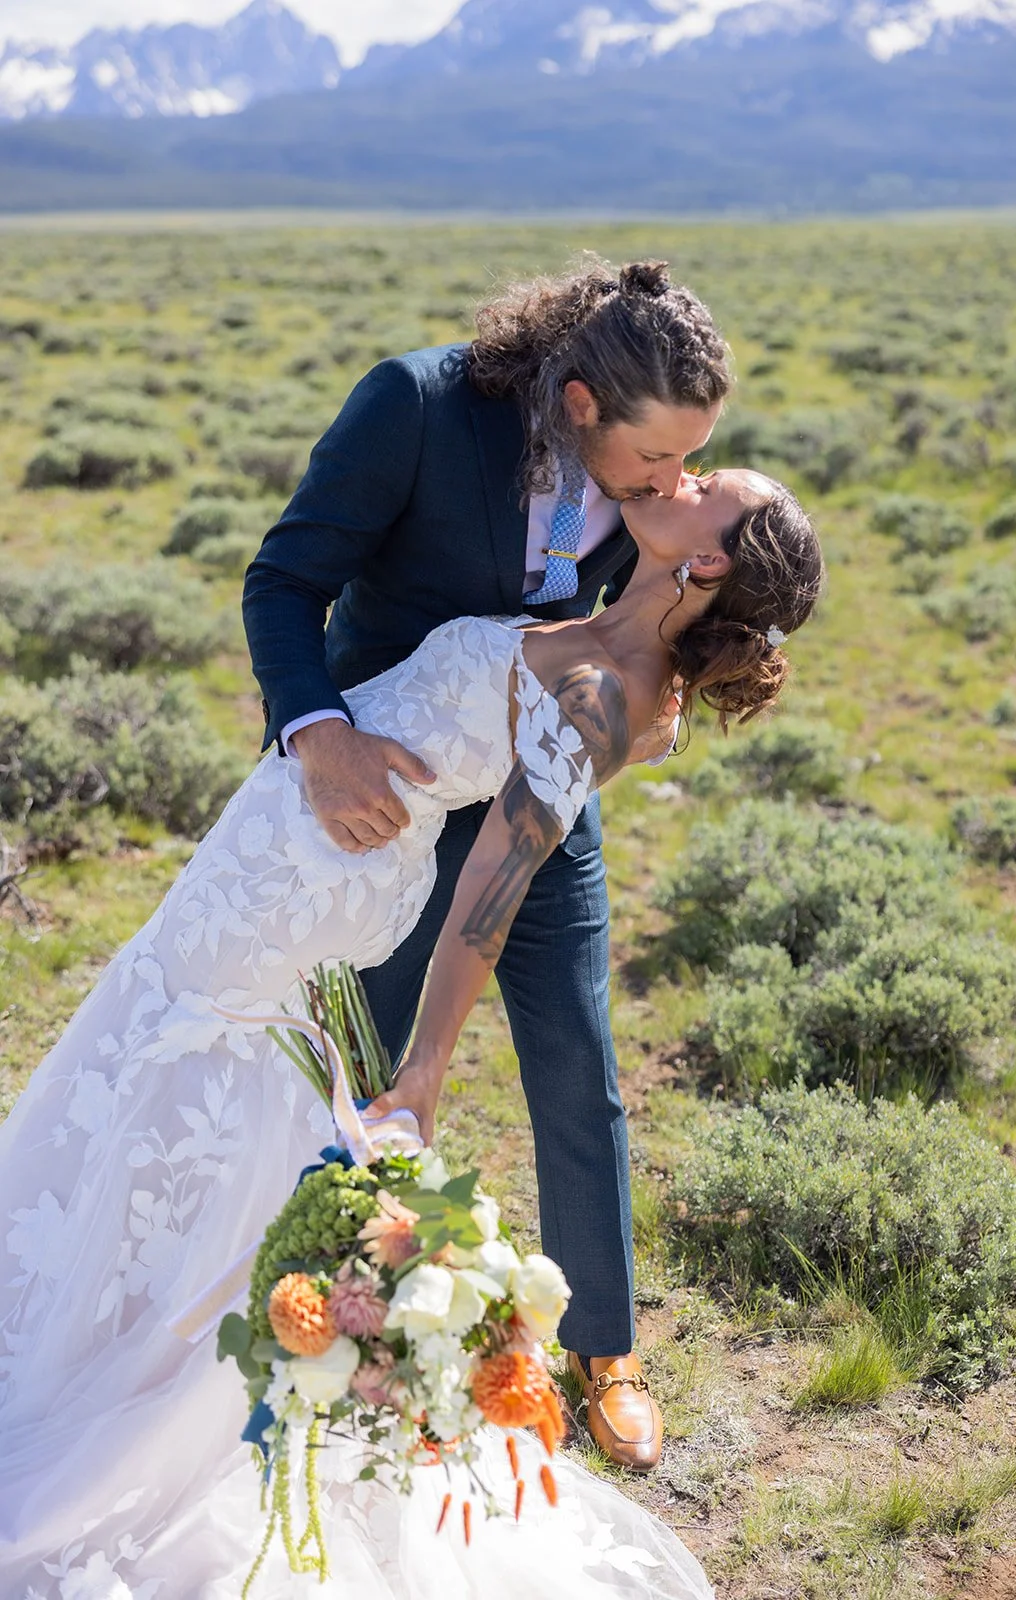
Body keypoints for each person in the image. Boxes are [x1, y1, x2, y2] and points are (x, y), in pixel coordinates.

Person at [0, 462, 822, 1599]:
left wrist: (426, 1069)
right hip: (300, 830)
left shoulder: (613, 687)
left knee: (178, 1058)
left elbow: (492, 891)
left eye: (704, 484)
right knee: (183, 1078)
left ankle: (128, 1392)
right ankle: (111, 1343)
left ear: (710, 559)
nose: (677, 475)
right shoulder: (600, 615)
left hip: (314, 867)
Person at [242, 259, 733, 1471]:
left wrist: (665, 693)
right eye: (652, 465)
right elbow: (282, 580)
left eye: (688, 463)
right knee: (363, 1054)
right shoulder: (411, 409)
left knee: (576, 1054)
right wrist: (321, 737)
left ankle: (605, 1348)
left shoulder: (655, 472)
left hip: (542, 786)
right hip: (386, 788)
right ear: (577, 402)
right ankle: (322, 1315)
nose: (672, 487)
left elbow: (682, 599)